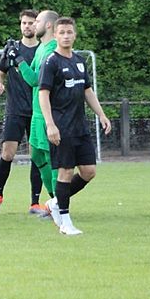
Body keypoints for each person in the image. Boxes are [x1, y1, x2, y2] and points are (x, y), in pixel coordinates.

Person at [38, 17, 111, 235]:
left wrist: (101, 114)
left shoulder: (79, 61)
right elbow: (43, 94)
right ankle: (66, 223)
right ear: (55, 35)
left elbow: (87, 90)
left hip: (80, 127)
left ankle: (54, 204)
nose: (66, 36)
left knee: (89, 172)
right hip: (61, 127)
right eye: (61, 32)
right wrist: (50, 125)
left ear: (75, 35)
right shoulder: (51, 62)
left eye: (69, 32)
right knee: (65, 172)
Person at [0, 9, 46, 215]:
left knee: (36, 156)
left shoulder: (42, 51)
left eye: (31, 23)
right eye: (24, 23)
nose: (27, 26)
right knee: (7, 153)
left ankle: (35, 203)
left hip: (37, 111)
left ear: (37, 25)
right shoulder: (11, 49)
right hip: (15, 110)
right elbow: (0, 74)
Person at [5, 10, 60, 208]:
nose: (33, 24)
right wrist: (17, 62)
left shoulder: (52, 49)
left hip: (47, 114)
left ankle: (59, 204)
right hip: (36, 113)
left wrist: (19, 60)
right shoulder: (41, 48)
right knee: (36, 156)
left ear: (48, 25)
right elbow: (31, 79)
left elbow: (36, 79)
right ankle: (54, 198)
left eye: (37, 21)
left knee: (51, 158)